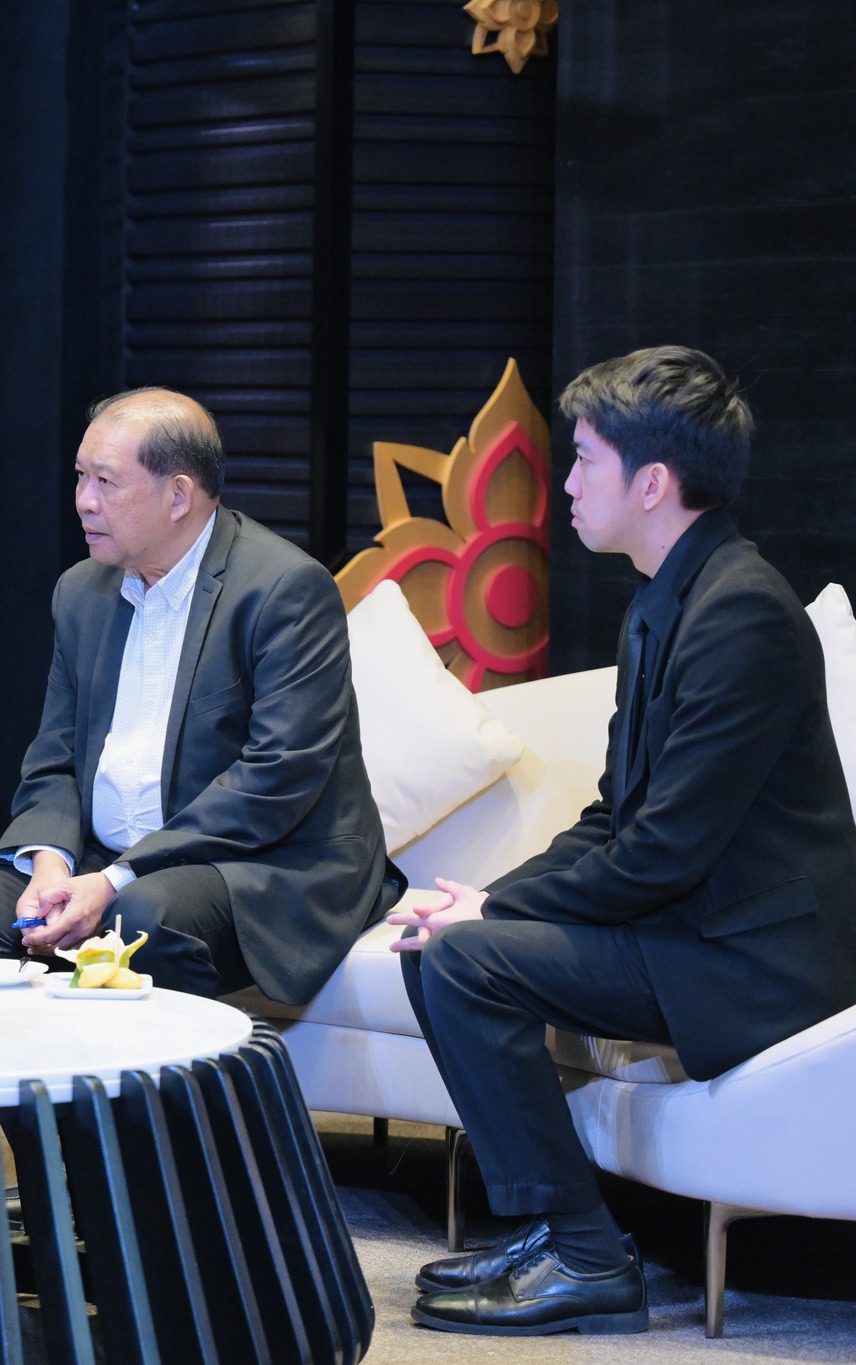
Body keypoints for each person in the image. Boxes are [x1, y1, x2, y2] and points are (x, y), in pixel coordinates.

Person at [392, 347, 856, 1336]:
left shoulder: (741, 614)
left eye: (585, 461)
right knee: (443, 945)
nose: (564, 483)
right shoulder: (666, 597)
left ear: (652, 483)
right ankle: (556, 1233)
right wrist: (484, 898)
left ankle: (588, 1258)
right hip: (691, 930)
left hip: (751, 961)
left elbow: (662, 855)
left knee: (465, 960)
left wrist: (495, 911)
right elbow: (615, 815)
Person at [0, 388, 401, 1003]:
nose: (84, 500)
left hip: (258, 864)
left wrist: (114, 880)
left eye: (106, 482)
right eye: (80, 477)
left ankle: (165, 1074)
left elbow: (279, 776)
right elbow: (54, 756)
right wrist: (52, 865)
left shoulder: (284, 590)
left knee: (141, 920)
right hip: (100, 859)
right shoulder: (82, 591)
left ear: (178, 496)